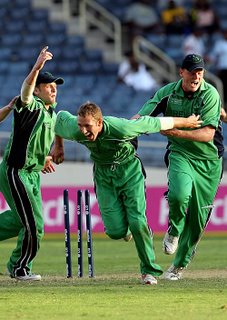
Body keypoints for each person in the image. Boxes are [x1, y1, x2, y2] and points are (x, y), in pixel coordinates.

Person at [51, 101, 201, 285]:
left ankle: (149, 271)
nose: (83, 131)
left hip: (130, 172)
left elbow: (156, 123)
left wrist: (186, 121)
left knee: (137, 221)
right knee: (115, 231)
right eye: (80, 125)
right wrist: (59, 146)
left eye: (87, 126)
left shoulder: (121, 128)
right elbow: (58, 119)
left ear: (99, 122)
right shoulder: (76, 129)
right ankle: (133, 229)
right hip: (104, 176)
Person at [132, 53, 223, 280]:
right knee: (179, 195)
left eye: (200, 71)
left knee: (198, 219)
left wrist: (173, 131)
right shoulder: (167, 93)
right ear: (181, 72)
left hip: (209, 161)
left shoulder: (210, 93)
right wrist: (122, 129)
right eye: (192, 71)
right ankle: (173, 230)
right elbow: (142, 117)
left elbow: (207, 134)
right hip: (180, 153)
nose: (196, 75)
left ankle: (178, 267)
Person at [0, 46, 64, 281]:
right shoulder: (30, 106)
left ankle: (19, 265)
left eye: (55, 87)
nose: (53, 90)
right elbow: (25, 90)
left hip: (33, 173)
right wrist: (38, 66)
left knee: (20, 220)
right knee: (35, 225)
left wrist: (45, 157)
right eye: (49, 86)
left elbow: (39, 140)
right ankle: (19, 268)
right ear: (38, 90)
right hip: (15, 171)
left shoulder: (51, 113)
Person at [207, 28, 227, 108]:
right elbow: (214, 56)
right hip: (223, 70)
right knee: (224, 89)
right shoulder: (219, 44)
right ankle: (223, 106)